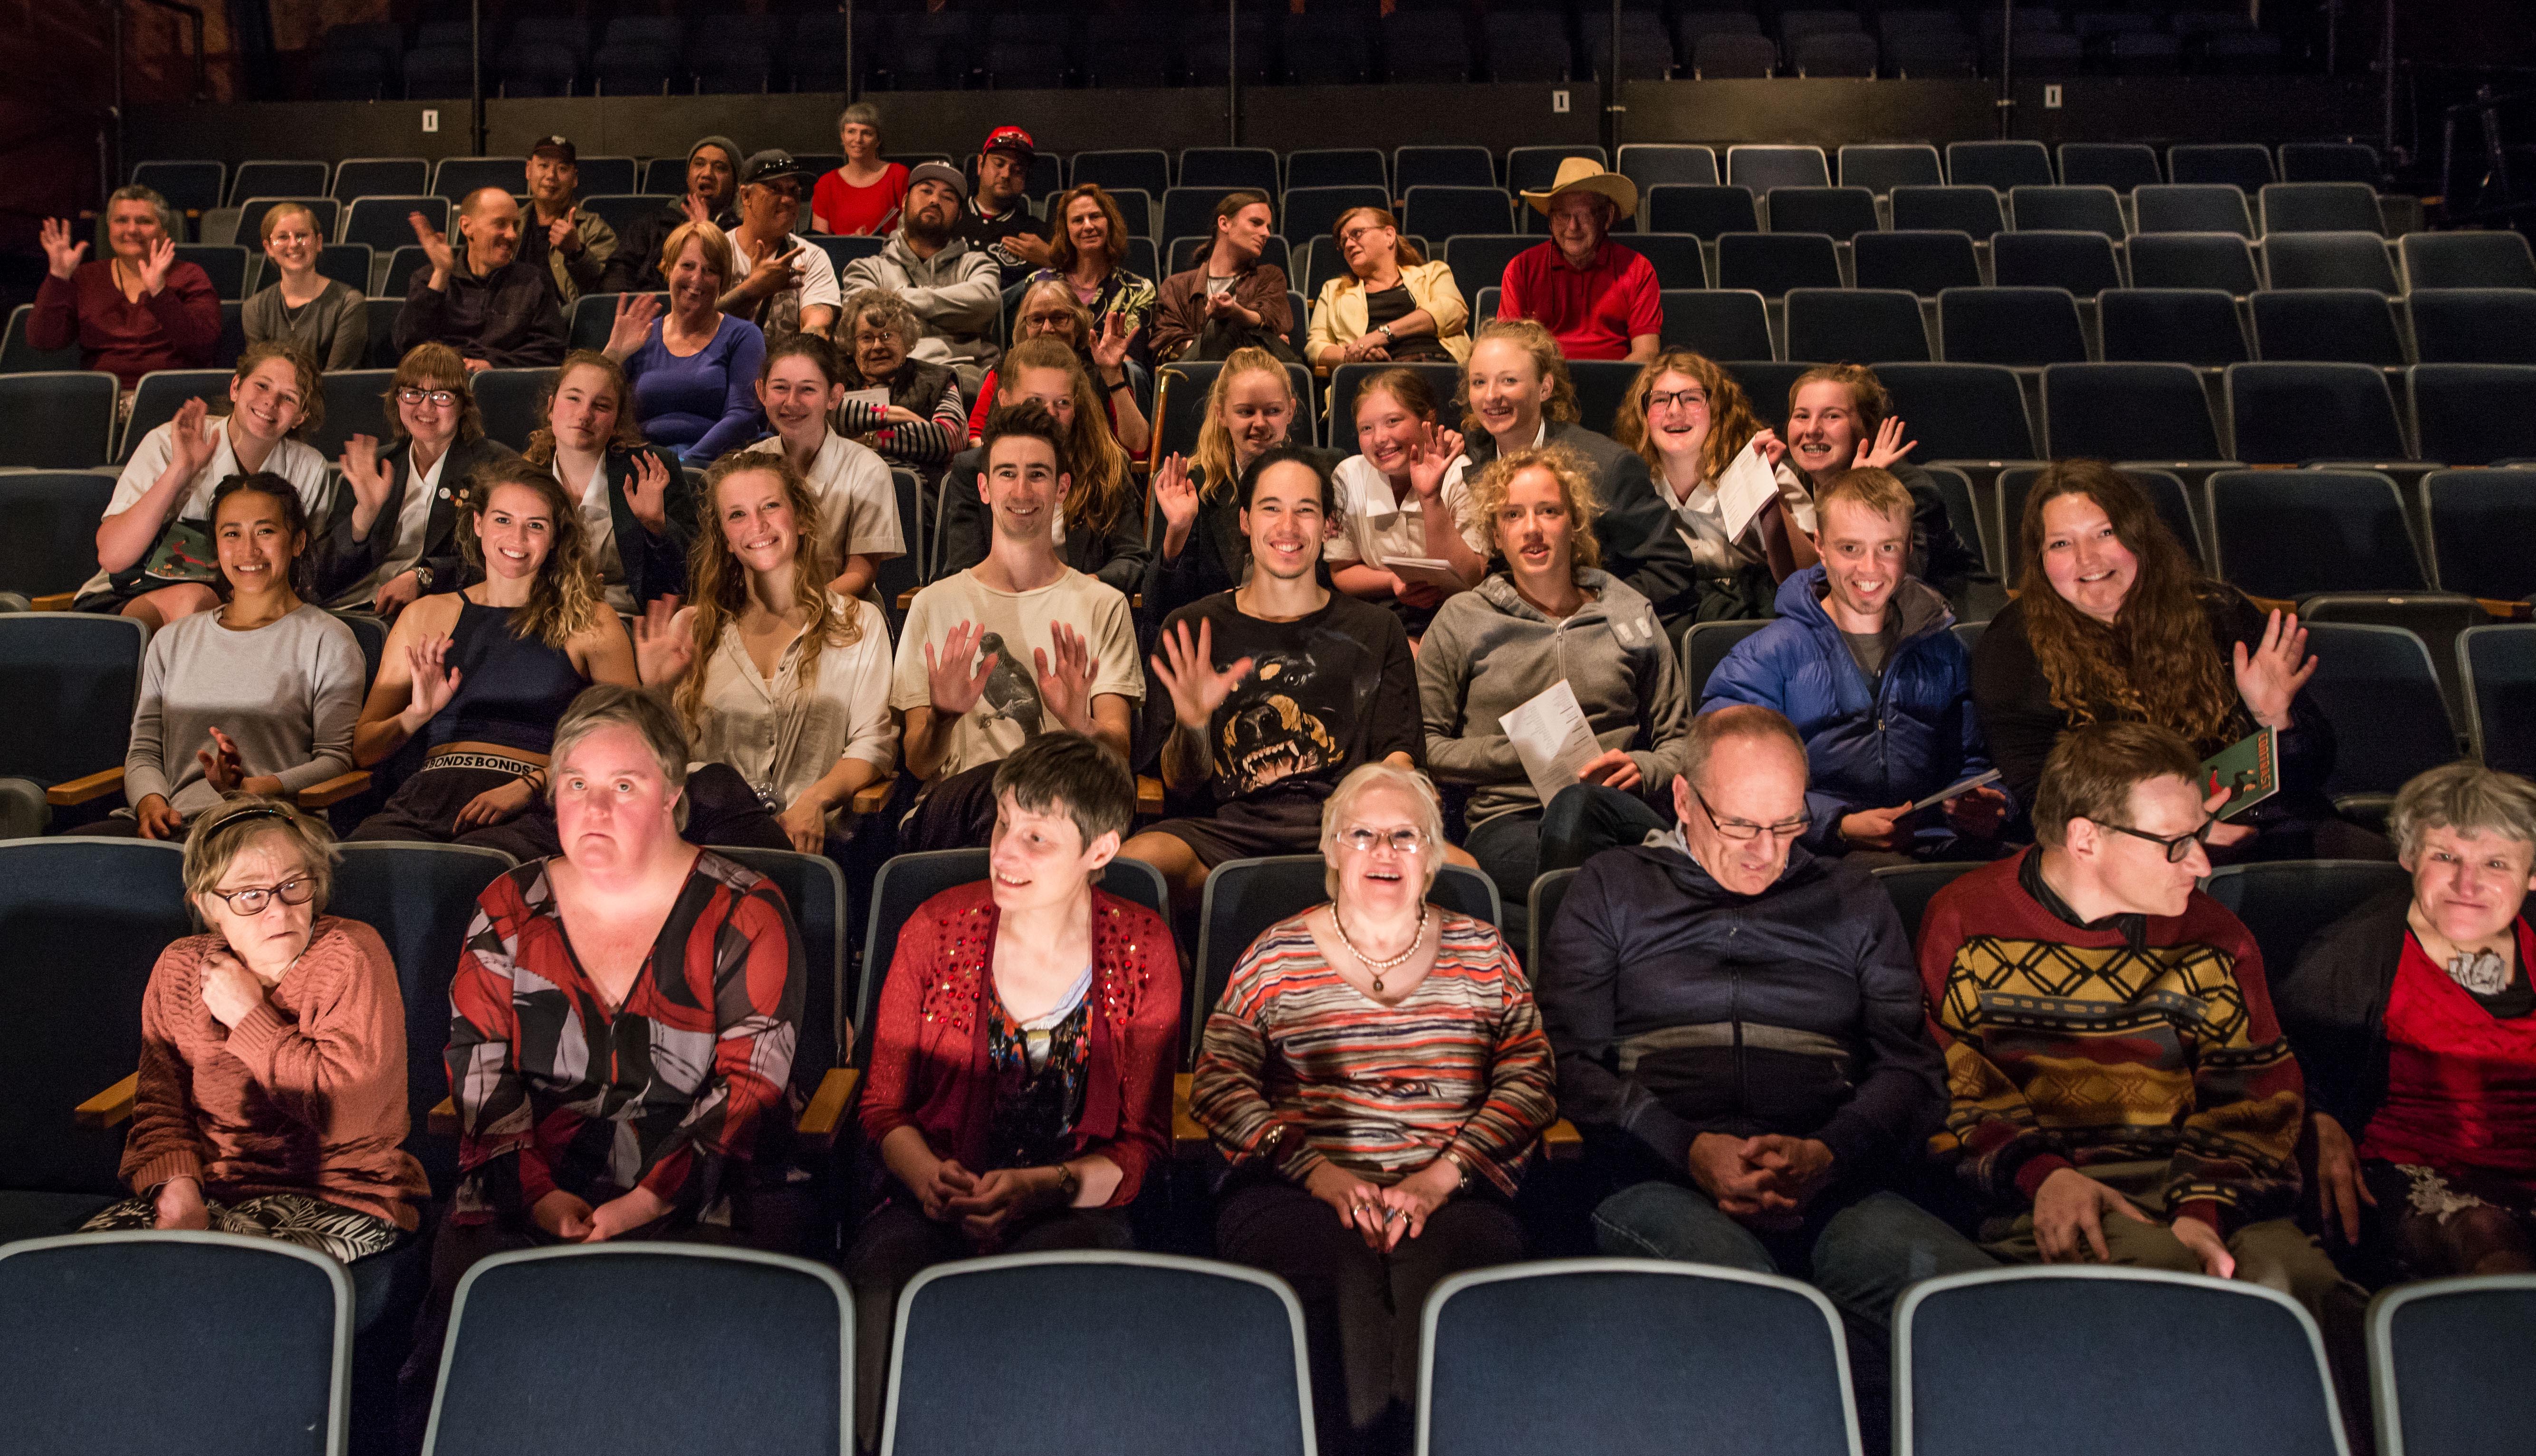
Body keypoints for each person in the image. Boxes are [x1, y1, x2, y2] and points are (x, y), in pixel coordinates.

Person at [399, 684, 810, 1448]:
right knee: (471, 1310)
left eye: (625, 787)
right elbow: (480, 1069)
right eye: (577, 786)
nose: (594, 808)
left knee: (690, 1354)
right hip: (536, 1182)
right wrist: (542, 1197)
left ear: (673, 800)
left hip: (704, 1187)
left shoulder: (745, 911)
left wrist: (645, 1204)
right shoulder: (508, 905)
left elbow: (749, 1089)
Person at [1538, 706, 1992, 1337]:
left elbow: (1910, 1067)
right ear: (1683, 800)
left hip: (1835, 1186)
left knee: (1982, 1314)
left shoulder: (1852, 898)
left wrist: (1829, 1154)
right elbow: (1568, 1062)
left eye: (1789, 825)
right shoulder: (1613, 888)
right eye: (1742, 827)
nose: (1768, 853)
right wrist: (1687, 1149)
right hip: (1657, 1180)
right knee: (1756, 1317)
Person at [1917, 721, 2363, 1352]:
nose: (2202, 864)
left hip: (2199, 1179)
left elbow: (2256, 1093)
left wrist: (2201, 1209)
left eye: (2200, 838)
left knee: (2306, 1293)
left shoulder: (2217, 935)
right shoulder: (1966, 919)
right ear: (2086, 839)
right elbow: (1954, 1087)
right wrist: (2042, 1175)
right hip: (2044, 1186)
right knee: (2164, 1282)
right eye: (2176, 844)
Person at [1193, 763, 1554, 1456]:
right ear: (1330, 849)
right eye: (1361, 834)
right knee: (1346, 1294)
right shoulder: (1277, 954)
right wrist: (1315, 1171)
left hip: (1454, 1195)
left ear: (1435, 855)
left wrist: (1441, 1177)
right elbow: (1217, 1080)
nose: (1384, 852)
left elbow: (1531, 1079)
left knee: (1435, 1303)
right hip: (1299, 1193)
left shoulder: (1484, 953)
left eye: (1405, 837)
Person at [848, 732, 1178, 1450]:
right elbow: (883, 1106)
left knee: (1076, 1302)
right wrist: (931, 1178)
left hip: (1068, 1198)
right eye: (1003, 825)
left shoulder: (1143, 946)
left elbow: (1141, 1144)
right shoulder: (936, 927)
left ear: (1100, 852)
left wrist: (1039, 1187)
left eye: (1036, 837)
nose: (1005, 852)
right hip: (931, 1191)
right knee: (886, 1298)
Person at [82, 796, 425, 1261]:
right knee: (78, 1275)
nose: (279, 911)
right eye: (250, 895)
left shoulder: (351, 954)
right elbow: (162, 1107)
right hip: (211, 1192)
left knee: (224, 1283)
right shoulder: (179, 966)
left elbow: (352, 1114)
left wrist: (249, 1019)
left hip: (344, 1196)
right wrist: (179, 1191)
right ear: (208, 903)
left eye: (293, 885)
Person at [1970, 460, 2361, 859]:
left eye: (2105, 533)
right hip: (2133, 855)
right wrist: (2183, 832)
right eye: (2061, 544)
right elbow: (2048, 804)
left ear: (2138, 536)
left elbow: (2314, 770)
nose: (2087, 559)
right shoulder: (2014, 648)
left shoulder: (2220, 614)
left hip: (2275, 831)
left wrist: (2275, 721)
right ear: (2040, 559)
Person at [1124, 447, 1425, 916]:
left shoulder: (1374, 629)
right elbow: (1180, 786)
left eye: (1305, 510)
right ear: (1244, 520)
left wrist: (1389, 823)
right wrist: (1192, 724)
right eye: (1271, 508)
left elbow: (1400, 756)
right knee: (1132, 871)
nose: (1287, 526)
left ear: (1329, 524)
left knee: (1461, 872)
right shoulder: (1192, 629)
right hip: (1226, 835)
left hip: (1348, 831)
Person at [2276, 761, 2536, 1281]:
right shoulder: (2354, 953)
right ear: (2408, 855)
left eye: (2495, 864)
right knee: (2486, 1240)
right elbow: (2281, 1064)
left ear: (2531, 875)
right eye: (2445, 856)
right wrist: (2318, 1120)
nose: (2468, 883)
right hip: (2401, 1176)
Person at [1419, 447, 1691, 939]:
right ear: (1496, 534)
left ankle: (1557, 955)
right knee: (1579, 840)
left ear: (1574, 523)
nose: (1532, 529)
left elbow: (1680, 741)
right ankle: (1609, 932)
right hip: (1508, 822)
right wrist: (1521, 752)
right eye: (1512, 515)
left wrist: (1643, 767)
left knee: (1577, 805)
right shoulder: (1463, 619)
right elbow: (1426, 745)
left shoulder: (1627, 610)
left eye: (1548, 511)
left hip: (1615, 808)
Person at [1701, 468, 2012, 864]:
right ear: (1821, 546)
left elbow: (1974, 763)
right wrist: (1837, 824)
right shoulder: (1765, 657)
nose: (1870, 568)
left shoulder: (1944, 650)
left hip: (1934, 842)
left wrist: (1985, 806)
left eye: (1888, 548)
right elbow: (1729, 778)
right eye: (1850, 549)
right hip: (1811, 855)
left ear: (1909, 547)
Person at [346, 459, 636, 860]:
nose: (517, 537)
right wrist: (415, 714)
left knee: (476, 868)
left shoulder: (591, 619)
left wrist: (531, 786)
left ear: (554, 538)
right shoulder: (424, 615)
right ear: (479, 524)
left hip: (535, 804)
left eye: (536, 525)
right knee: (359, 861)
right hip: (428, 799)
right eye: (503, 520)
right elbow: (364, 749)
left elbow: (630, 738)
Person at [891, 402, 1143, 853]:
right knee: (1009, 788)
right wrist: (942, 719)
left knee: (1032, 793)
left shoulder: (1104, 604)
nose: (1022, 489)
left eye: (1038, 474)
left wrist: (1079, 724)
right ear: (984, 488)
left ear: (1062, 487)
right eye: (1007, 473)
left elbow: (1117, 753)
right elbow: (918, 762)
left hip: (1066, 808)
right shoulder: (933, 605)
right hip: (957, 812)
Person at [634, 452, 896, 856]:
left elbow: (872, 745)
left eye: (771, 507)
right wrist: (655, 691)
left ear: (803, 519)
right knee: (713, 783)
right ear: (724, 538)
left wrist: (815, 799)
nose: (757, 525)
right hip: (706, 848)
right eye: (737, 515)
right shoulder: (692, 629)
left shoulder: (859, 624)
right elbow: (655, 763)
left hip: (815, 843)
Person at [115, 474, 363, 841]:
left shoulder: (328, 640)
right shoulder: (171, 640)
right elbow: (145, 752)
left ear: (297, 542)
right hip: (174, 824)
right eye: (232, 534)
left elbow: (336, 760)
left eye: (265, 532)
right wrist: (150, 802)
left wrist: (262, 787)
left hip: (268, 824)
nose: (248, 551)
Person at [1454, 319, 1698, 623]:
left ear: (1545, 387)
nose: (1491, 396)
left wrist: (1586, 608)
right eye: (1479, 382)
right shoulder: (1473, 455)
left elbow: (1671, 569)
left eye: (1508, 381)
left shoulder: (1607, 467)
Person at [76, 342, 330, 629]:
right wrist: (181, 470)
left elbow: (299, 571)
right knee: (196, 601)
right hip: (135, 594)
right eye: (262, 386)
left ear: (301, 416)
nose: (271, 402)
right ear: (236, 388)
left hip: (250, 602)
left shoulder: (308, 467)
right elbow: (113, 557)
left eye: (289, 398)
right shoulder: (168, 443)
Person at [308, 343, 519, 615]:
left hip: (436, 611)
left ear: (464, 405)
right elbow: (319, 578)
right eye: (413, 393)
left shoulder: (496, 467)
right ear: (397, 401)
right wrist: (364, 516)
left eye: (441, 396)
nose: (426, 407)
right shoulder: (375, 466)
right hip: (352, 607)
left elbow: (499, 557)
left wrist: (424, 577)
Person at [1610, 351, 1816, 622]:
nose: (1674, 411)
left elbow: (1812, 577)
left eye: (1692, 398)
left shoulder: (1763, 470)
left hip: (1755, 624)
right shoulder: (1630, 483)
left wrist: (1765, 493)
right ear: (1643, 414)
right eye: (1660, 400)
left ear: (1718, 412)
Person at [935, 337, 1149, 596]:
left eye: (1063, 403)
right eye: (1035, 402)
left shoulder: (1105, 466)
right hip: (997, 610)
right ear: (1004, 400)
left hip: (1080, 607)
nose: (1050, 414)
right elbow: (962, 569)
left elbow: (1133, 560)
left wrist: (1083, 586)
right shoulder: (973, 469)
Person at [1781, 365, 1981, 609]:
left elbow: (1891, 583)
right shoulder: (1790, 483)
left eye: (1832, 416)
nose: (1812, 430)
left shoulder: (1911, 489)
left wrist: (1859, 495)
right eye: (1802, 416)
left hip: (1955, 622)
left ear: (1868, 428)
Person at [1144, 346, 1312, 621]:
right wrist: (1178, 531)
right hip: (1221, 634)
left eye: (1272, 411)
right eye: (1246, 412)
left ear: (1290, 411)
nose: (1260, 423)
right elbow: (1159, 608)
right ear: (1221, 414)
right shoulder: (1194, 486)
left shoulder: (1319, 477)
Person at [524, 350, 697, 613]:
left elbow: (690, 578)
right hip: (543, 614)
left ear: (617, 422)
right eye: (573, 398)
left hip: (625, 619)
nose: (584, 415)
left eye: (601, 406)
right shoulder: (522, 481)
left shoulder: (650, 470)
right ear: (551, 408)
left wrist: (658, 527)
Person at [737, 334, 904, 603]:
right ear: (761, 391)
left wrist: (799, 610)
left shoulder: (868, 469)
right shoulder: (747, 466)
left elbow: (860, 575)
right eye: (780, 388)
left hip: (840, 611)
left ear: (834, 397)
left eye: (808, 390)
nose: (792, 402)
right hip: (763, 612)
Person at [1328, 367, 1488, 636]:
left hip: (1455, 614)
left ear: (1428, 420)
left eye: (1393, 421)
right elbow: (1341, 571)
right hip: (1378, 612)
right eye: (1366, 428)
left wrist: (1431, 499)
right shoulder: (1348, 475)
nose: (1379, 438)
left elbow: (1471, 579)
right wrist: (1392, 580)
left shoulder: (1461, 474)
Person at [601, 220, 768, 465]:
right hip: (640, 463)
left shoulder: (744, 335)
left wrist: (684, 465)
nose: (697, 279)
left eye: (710, 270)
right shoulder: (640, 334)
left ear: (723, 281)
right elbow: (595, 404)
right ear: (668, 269)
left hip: (715, 467)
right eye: (687, 266)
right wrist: (614, 353)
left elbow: (743, 417)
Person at [31, 186, 218, 391]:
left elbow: (204, 347)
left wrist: (159, 292)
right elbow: (45, 340)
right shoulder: (86, 277)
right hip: (102, 399)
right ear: (109, 227)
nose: (131, 230)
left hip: (170, 394)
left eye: (144, 221)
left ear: (164, 232)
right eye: (121, 221)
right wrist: (58, 277)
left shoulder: (189, 276)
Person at [839, 162, 1002, 387]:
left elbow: (985, 301)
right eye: (926, 191)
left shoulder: (977, 264)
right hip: (887, 377)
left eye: (948, 197)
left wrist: (896, 299)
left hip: (963, 376)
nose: (935, 200)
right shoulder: (867, 269)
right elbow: (861, 320)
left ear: (959, 216)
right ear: (905, 202)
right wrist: (951, 310)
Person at [964, 278, 1151, 458]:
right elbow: (975, 436)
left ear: (1077, 323)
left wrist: (1113, 375)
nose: (1047, 328)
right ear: (1025, 326)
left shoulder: (1103, 369)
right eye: (1037, 319)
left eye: (1059, 318)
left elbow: (1138, 449)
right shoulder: (1006, 369)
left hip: (1089, 476)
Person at [1497, 159, 1659, 364]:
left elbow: (1647, 354)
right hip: (1544, 390)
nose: (1573, 227)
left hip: (1618, 389)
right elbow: (1508, 352)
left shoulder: (1638, 269)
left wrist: (1609, 384)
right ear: (1550, 219)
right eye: (1563, 216)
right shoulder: (1521, 269)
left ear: (1607, 217)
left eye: (1585, 215)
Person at [393, 187, 565, 372]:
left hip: (505, 387)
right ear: (467, 227)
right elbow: (407, 347)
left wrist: (494, 366)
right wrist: (441, 274)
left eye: (515, 226)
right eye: (501, 224)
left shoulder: (534, 282)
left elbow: (551, 351)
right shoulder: (429, 279)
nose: (512, 235)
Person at [1308, 205, 1470, 369]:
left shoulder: (1432, 273)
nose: (1349, 244)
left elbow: (1453, 310)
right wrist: (1353, 356)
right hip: (1374, 376)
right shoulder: (1334, 290)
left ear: (1389, 235)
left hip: (1437, 365)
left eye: (1357, 234)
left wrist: (1381, 335)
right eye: (1343, 242)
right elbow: (1315, 347)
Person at [833, 287, 969, 476]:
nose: (878, 346)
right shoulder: (835, 379)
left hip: (914, 488)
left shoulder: (935, 380)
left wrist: (873, 438)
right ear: (853, 345)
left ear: (906, 340)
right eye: (866, 338)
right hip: (845, 482)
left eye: (887, 336)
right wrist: (897, 414)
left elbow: (951, 438)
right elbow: (825, 412)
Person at [1153, 190, 1294, 365]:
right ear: (1225, 223)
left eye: (1268, 227)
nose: (1266, 233)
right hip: (1195, 377)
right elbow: (1165, 342)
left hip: (1254, 375)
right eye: (1256, 223)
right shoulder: (1177, 286)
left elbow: (1272, 316)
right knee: (1222, 329)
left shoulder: (1269, 276)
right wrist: (1247, 338)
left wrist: (1235, 311)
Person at [719, 150, 842, 342]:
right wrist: (752, 290)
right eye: (775, 189)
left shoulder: (811, 256)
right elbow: (695, 324)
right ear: (746, 196)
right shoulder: (716, 250)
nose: (788, 200)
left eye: (794, 191)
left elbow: (818, 330)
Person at [1029, 182, 1157, 366]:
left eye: (1095, 217)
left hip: (1111, 381)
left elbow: (1130, 360)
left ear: (1110, 223)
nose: (1088, 226)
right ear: (1066, 230)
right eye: (1078, 220)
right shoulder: (1039, 282)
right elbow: (1028, 350)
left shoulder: (1138, 289)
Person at [600, 135, 741, 295]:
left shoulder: (740, 232)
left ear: (736, 183)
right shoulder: (653, 225)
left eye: (720, 167)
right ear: (688, 177)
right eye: (699, 164)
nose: (707, 173)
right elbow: (618, 272)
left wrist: (705, 232)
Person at [242, 201, 366, 372]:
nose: (294, 244)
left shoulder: (349, 303)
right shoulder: (254, 308)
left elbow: (339, 381)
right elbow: (259, 374)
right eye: (283, 237)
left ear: (319, 242)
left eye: (301, 235)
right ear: (269, 248)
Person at [516, 134, 617, 308]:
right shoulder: (511, 223)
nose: (551, 176)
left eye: (562, 169)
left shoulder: (594, 229)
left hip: (564, 324)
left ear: (575, 178)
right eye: (543, 166)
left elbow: (606, 294)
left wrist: (576, 253)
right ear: (528, 170)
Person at [959, 124, 1056, 290]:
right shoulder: (950, 216)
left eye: (1017, 170)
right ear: (980, 165)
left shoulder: (1036, 234)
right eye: (999, 164)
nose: (1006, 175)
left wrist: (1052, 261)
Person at [811, 102, 908, 238]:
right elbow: (820, 244)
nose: (858, 140)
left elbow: (911, 233)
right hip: (840, 257)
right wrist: (852, 242)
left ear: (878, 140)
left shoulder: (898, 175)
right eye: (851, 132)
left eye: (867, 133)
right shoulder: (826, 184)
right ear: (843, 137)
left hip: (887, 256)